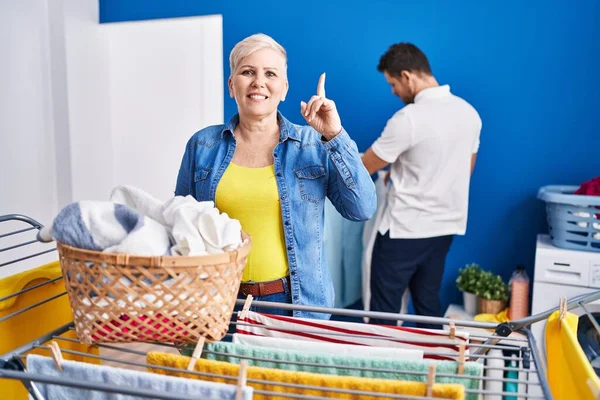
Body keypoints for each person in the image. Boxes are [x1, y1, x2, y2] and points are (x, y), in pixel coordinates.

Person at [175, 33, 376, 319]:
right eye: (247, 72)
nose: (259, 82)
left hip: (293, 305)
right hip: (218, 301)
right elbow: (181, 224)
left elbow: (362, 208)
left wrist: (334, 135)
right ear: (232, 85)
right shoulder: (203, 145)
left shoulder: (313, 143)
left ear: (283, 88)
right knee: (216, 367)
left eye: (270, 73)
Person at [361, 42, 481, 328]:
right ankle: (431, 370)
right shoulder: (469, 114)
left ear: (407, 76)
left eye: (393, 84)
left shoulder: (409, 119)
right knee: (428, 306)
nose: (393, 92)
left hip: (404, 230)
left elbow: (364, 167)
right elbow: (465, 170)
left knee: (384, 313)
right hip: (444, 228)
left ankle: (382, 371)